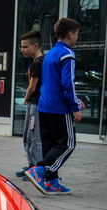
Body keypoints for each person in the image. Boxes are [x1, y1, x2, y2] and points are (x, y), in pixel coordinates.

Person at [25, 18, 83, 195]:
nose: (77, 38)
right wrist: (75, 106)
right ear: (70, 34)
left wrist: (76, 99)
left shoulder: (49, 54)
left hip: (44, 107)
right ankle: (40, 169)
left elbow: (53, 83)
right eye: (77, 35)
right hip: (59, 108)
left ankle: (52, 183)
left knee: (50, 145)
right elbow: (67, 84)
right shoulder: (67, 54)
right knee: (67, 144)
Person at [16, 30, 44, 179]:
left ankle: (36, 169)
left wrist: (25, 99)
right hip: (33, 104)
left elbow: (32, 87)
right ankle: (31, 165)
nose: (23, 50)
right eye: (22, 47)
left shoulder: (38, 63)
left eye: (25, 47)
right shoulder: (37, 62)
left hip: (35, 104)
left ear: (36, 45)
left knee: (34, 137)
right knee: (28, 135)